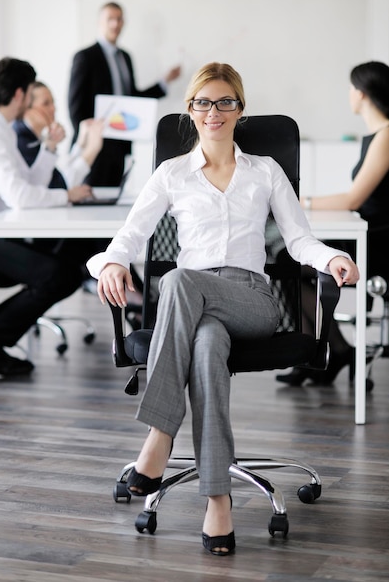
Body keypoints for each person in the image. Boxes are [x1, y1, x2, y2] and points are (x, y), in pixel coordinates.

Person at [86, 62, 359, 555]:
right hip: (193, 309)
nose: (214, 112)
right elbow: (128, 236)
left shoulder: (265, 171)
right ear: (190, 111)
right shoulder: (171, 174)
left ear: (240, 109)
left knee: (178, 281)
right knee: (206, 341)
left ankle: (159, 435)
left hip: (252, 299)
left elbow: (299, 241)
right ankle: (218, 501)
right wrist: (109, 264)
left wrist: (334, 257)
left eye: (225, 102)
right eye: (204, 103)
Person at [0, 57, 93, 379]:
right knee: (58, 274)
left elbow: (30, 184)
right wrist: (67, 195)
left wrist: (50, 147)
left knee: (67, 266)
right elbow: (20, 197)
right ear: (19, 94)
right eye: (30, 94)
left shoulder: (0, 129)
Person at [277, 60, 389, 387]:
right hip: (369, 234)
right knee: (290, 262)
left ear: (364, 93)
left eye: (353, 88)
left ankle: (326, 353)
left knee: (288, 262)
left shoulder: (385, 136)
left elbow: (354, 199)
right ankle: (330, 352)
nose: (350, 95)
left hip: (378, 243)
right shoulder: (376, 136)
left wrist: (300, 201)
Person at [68, 0, 181, 187]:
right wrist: (87, 145)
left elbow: (131, 100)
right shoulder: (85, 57)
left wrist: (164, 82)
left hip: (121, 147)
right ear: (99, 22)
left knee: (113, 199)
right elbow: (76, 108)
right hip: (94, 150)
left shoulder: (125, 57)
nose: (115, 24)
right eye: (110, 19)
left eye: (119, 19)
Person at [14, 81, 105, 189]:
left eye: (53, 102)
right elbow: (60, 185)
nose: (54, 109)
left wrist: (81, 143)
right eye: (46, 104)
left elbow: (60, 175)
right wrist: (92, 149)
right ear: (26, 108)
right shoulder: (21, 142)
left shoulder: (35, 137)